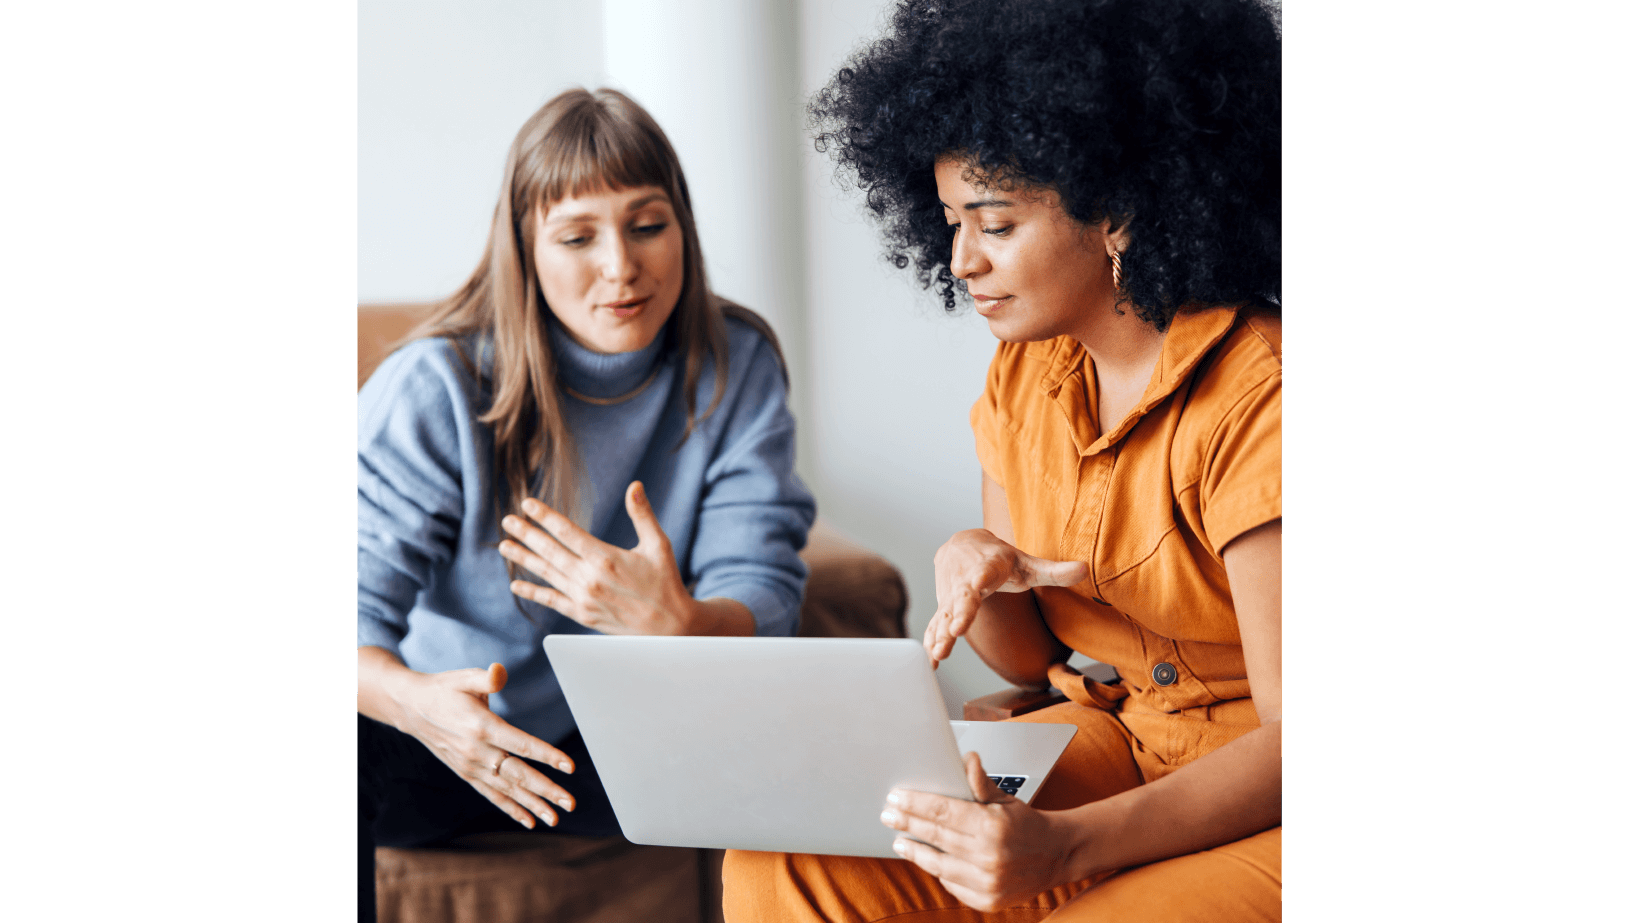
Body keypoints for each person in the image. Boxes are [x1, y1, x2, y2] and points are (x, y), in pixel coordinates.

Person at [724, 1, 1281, 919]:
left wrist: (1063, 845)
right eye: (950, 220)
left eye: (996, 222)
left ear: (1122, 213)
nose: (962, 260)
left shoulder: (1255, 390)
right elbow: (1029, 658)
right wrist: (976, 567)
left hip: (1253, 791)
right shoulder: (1024, 372)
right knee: (784, 867)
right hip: (1117, 736)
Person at [356, 88, 816, 918]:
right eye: (577, 236)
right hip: (438, 734)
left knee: (819, 750)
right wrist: (422, 708)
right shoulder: (436, 386)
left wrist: (678, 620)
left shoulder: (735, 360)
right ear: (526, 249)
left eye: (647, 224)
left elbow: (764, 590)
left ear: (682, 227)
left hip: (615, 742)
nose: (621, 267)